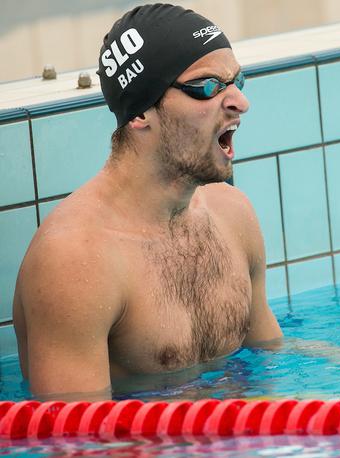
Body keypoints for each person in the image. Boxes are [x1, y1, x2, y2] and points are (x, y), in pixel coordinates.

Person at [12, 3, 283, 400]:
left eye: (237, 81)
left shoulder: (233, 214)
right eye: (208, 86)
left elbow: (269, 362)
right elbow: (77, 440)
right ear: (140, 113)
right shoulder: (75, 260)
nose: (240, 102)